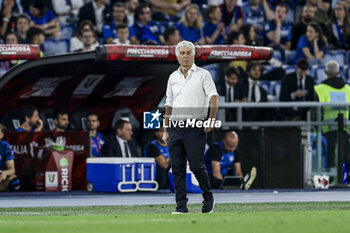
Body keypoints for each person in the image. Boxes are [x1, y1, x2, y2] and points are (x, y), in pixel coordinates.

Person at [163, 40, 218, 214]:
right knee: (177, 168)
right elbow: (169, 104)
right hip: (175, 126)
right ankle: (181, 206)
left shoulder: (203, 74)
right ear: (177, 56)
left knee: (196, 165)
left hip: (195, 126)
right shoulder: (172, 77)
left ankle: (208, 197)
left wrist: (211, 119)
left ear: (193, 55)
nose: (185, 56)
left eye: (189, 53)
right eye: (182, 53)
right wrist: (165, 129)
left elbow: (214, 97)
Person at [314, 60, 350, 170]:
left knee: (330, 156)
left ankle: (329, 182)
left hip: (326, 130)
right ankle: (345, 180)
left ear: (325, 72)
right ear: (338, 73)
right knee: (345, 156)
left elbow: (314, 112)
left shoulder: (318, 89)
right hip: (345, 129)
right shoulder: (348, 89)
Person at [0, 124, 20, 192]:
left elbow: (12, 170)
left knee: (14, 179)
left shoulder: (5, 146)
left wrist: (5, 173)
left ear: (2, 135)